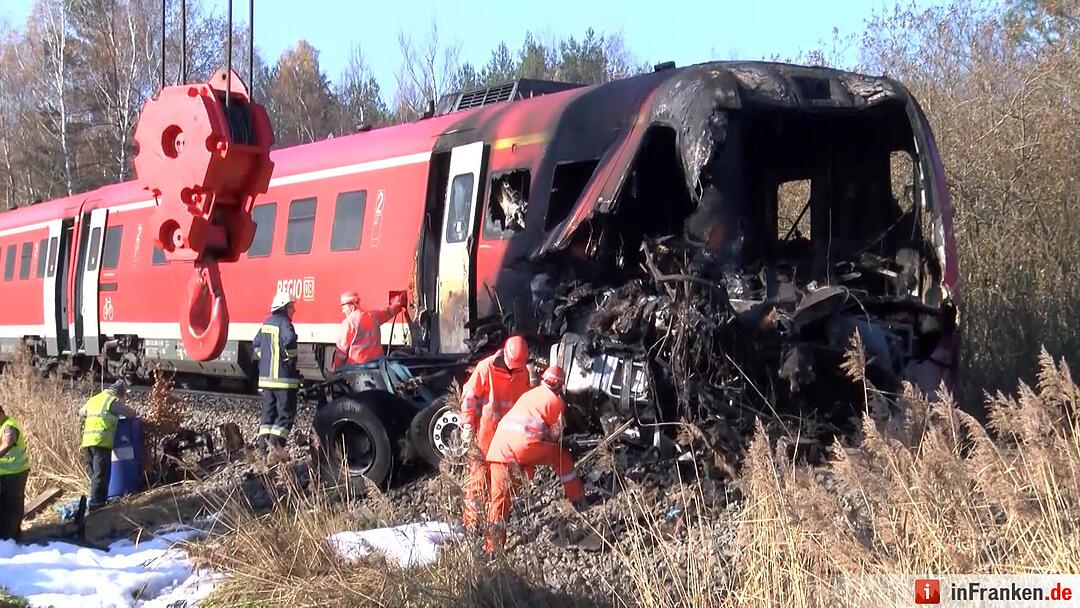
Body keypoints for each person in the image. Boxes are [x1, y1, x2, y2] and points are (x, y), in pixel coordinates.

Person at [484, 364, 585, 552]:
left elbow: (532, 426)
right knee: (560, 454)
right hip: (523, 447)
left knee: (499, 500)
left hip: (498, 449)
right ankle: (577, 498)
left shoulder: (529, 394)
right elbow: (556, 438)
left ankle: (493, 549)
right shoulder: (556, 402)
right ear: (559, 386)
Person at [458, 336, 531, 532]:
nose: (513, 369)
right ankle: (471, 526)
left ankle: (494, 533)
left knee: (502, 490)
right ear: (504, 353)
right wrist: (467, 424)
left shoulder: (523, 372)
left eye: (517, 366)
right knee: (477, 483)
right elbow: (470, 396)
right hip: (485, 437)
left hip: (507, 442)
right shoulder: (486, 368)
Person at [253, 291, 300, 462]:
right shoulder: (285, 324)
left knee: (268, 414)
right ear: (285, 307)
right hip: (283, 380)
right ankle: (276, 447)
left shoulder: (266, 323)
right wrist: (290, 358)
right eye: (292, 307)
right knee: (286, 414)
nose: (293, 310)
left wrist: (266, 359)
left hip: (266, 380)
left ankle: (263, 447)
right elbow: (289, 342)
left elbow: (256, 345)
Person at [79, 379, 137, 512]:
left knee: (95, 475)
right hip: (101, 442)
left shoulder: (94, 399)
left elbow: (81, 412)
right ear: (119, 393)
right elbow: (130, 413)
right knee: (101, 475)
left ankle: (97, 502)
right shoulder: (112, 401)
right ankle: (96, 506)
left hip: (87, 442)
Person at [332, 291, 406, 370]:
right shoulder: (373, 316)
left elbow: (341, 352)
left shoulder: (349, 323)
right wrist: (399, 302)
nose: (343, 311)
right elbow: (389, 312)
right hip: (376, 364)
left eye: (344, 308)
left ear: (351, 306)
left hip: (357, 367)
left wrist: (336, 369)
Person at [0, 404, 30, 541]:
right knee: (4, 504)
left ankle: (11, 537)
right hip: (5, 473)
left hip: (15, 473)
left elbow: (7, 444)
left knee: (12, 505)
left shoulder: (9, 426)